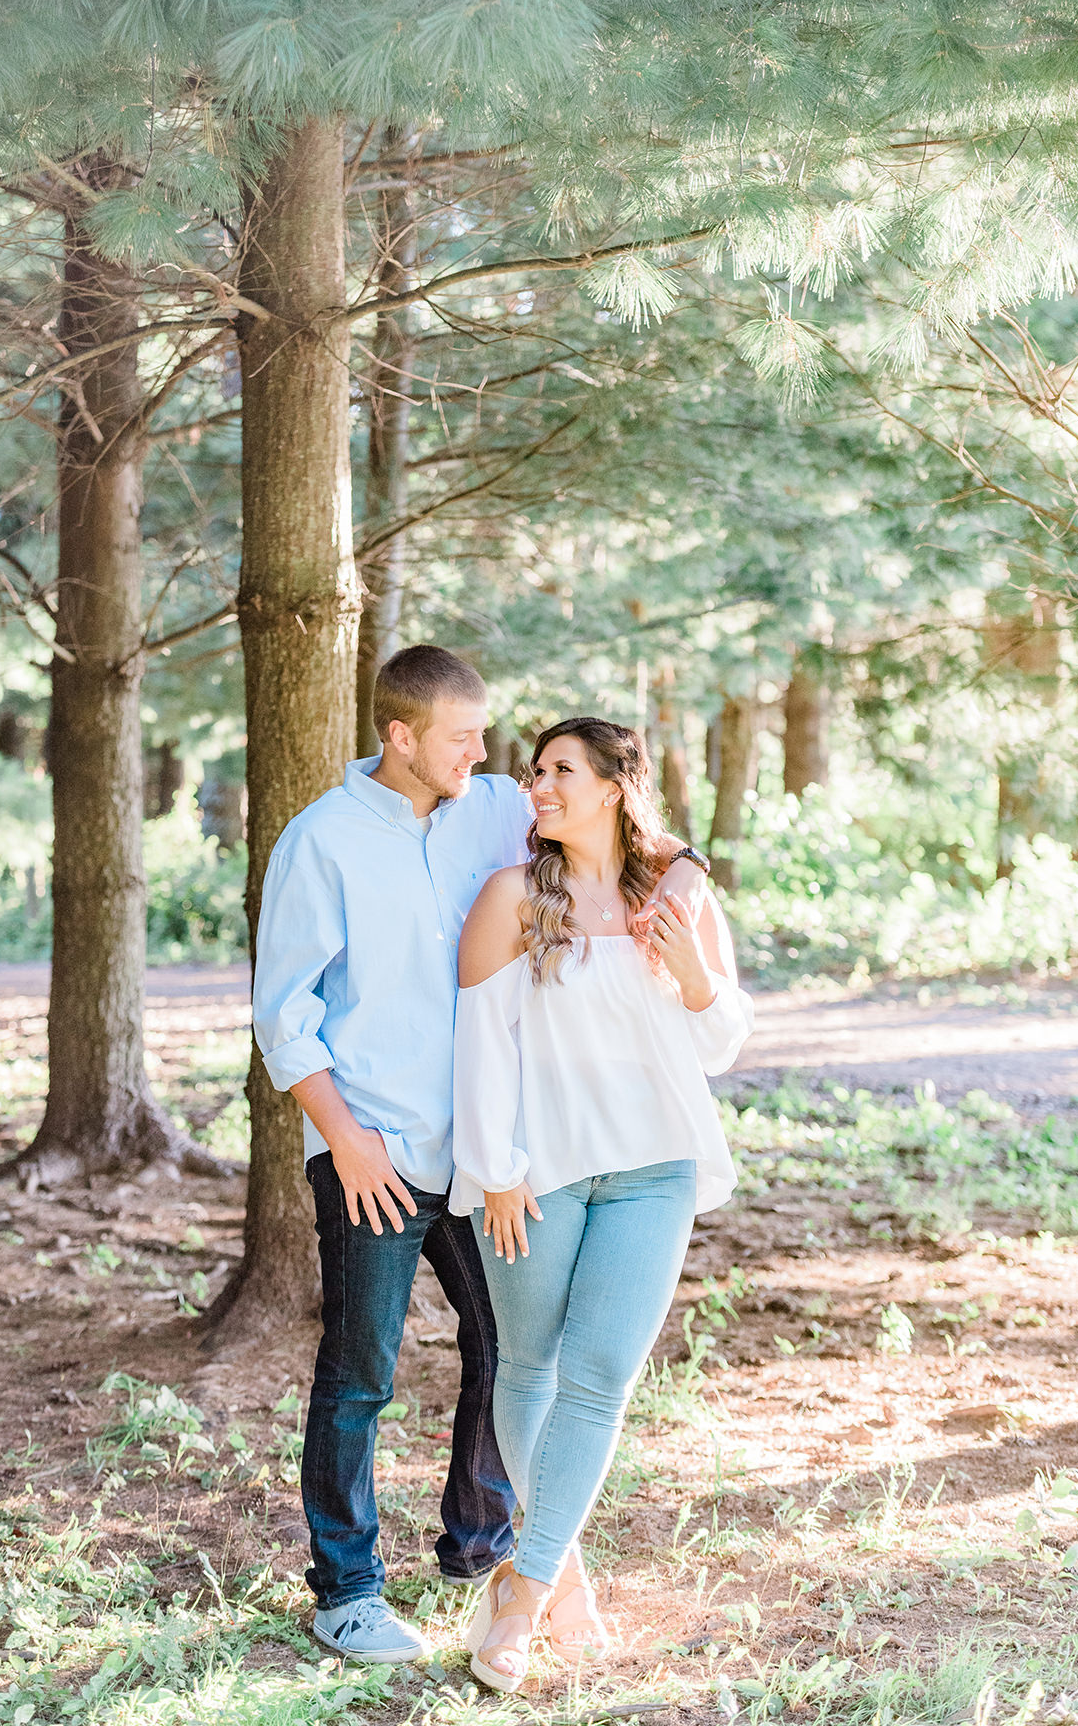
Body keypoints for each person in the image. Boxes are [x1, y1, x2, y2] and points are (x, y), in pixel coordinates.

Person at [252, 651, 707, 1664]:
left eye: (485, 737)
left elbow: (628, 830)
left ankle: (492, 1552)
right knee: (359, 1372)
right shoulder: (320, 841)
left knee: (508, 1356)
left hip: (489, 1154)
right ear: (399, 736)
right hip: (371, 1147)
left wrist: (681, 881)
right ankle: (347, 1590)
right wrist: (346, 1144)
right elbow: (282, 1017)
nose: (483, 755)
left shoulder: (499, 802)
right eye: (461, 737)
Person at [450, 716, 753, 1692]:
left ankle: (521, 1592)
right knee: (528, 1366)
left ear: (617, 784)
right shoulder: (508, 896)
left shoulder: (670, 898)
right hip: (535, 1175)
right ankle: (562, 1579)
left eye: (559, 772)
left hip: (652, 1169)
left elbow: (718, 1046)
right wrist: (495, 1168)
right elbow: (480, 1043)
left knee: (597, 1380)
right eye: (533, 772)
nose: (537, 787)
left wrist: (697, 973)